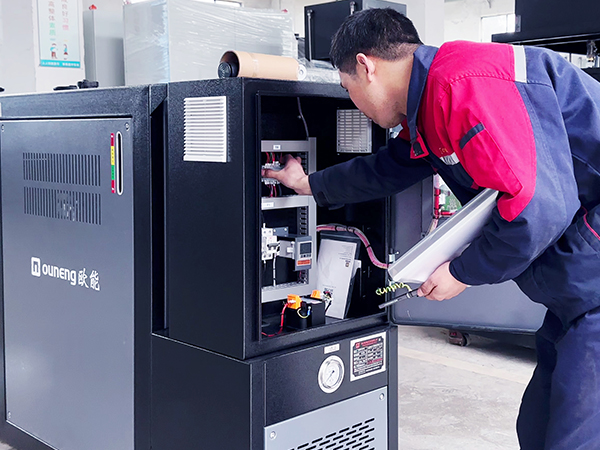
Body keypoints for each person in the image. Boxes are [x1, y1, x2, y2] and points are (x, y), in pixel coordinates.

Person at [263, 8, 600, 450]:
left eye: (348, 88)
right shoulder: (432, 103)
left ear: (366, 66)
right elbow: (390, 167)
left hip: (591, 285)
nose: (354, 104)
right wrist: (309, 183)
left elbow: (537, 209)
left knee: (573, 437)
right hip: (575, 293)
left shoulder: (464, 86)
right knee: (538, 426)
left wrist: (462, 272)